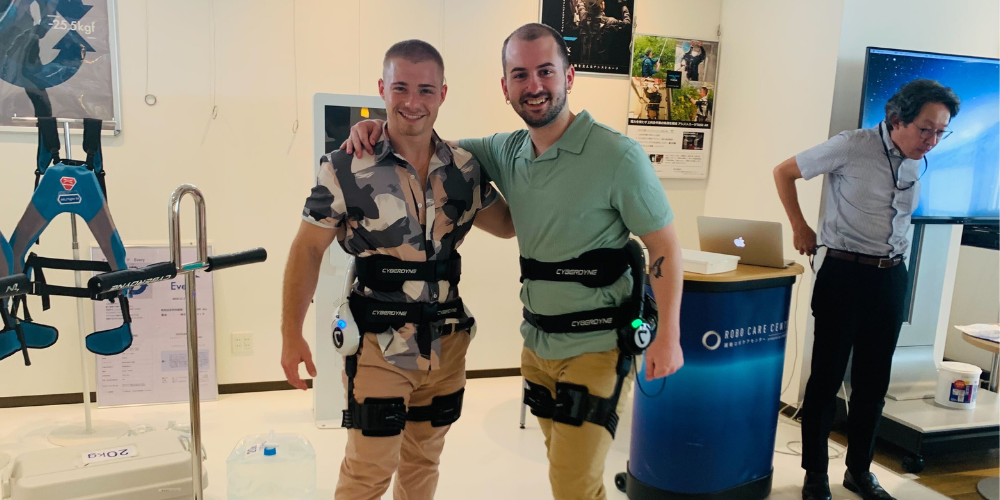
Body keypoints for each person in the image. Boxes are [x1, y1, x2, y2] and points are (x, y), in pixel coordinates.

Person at [344, 23, 684, 500]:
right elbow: (425, 145)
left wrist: (669, 336)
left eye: (546, 71)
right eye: (520, 75)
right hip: (538, 346)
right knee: (567, 475)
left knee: (573, 485)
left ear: (569, 75)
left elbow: (665, 247)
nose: (534, 86)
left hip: (597, 346)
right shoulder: (505, 151)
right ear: (505, 86)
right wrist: (379, 127)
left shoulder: (617, 156)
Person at [280, 40, 514, 500]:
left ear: (443, 94)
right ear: (382, 88)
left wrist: (538, 169)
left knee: (423, 465)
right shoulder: (346, 165)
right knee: (368, 472)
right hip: (380, 347)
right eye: (401, 88)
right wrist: (291, 333)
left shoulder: (464, 168)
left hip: (447, 345)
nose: (412, 102)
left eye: (425, 90)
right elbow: (306, 250)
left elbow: (506, 225)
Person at [773, 79, 960, 500]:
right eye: (925, 129)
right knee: (825, 381)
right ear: (897, 120)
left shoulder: (917, 157)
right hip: (844, 273)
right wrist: (801, 226)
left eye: (941, 131)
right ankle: (815, 476)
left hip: (891, 277)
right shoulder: (852, 145)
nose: (932, 140)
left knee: (874, 384)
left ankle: (859, 470)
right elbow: (783, 172)